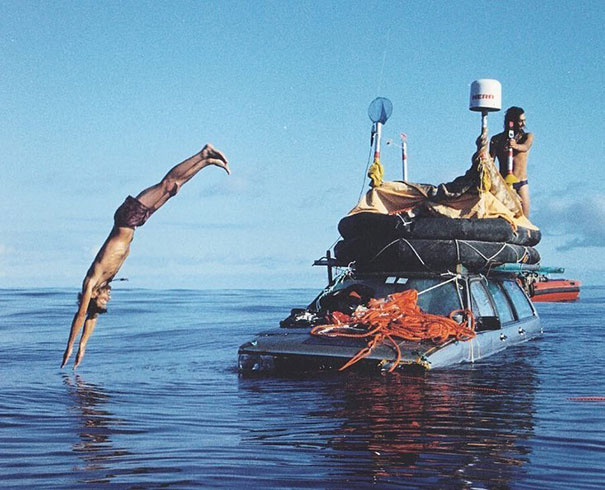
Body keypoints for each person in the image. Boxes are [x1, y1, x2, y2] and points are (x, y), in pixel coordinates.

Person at [61, 144, 230, 369]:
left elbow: (82, 315)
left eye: (103, 301)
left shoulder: (91, 281)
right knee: (173, 189)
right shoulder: (103, 283)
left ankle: (203, 153)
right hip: (136, 223)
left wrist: (71, 346)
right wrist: (85, 345)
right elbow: (92, 317)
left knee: (167, 183)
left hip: (127, 217)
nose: (109, 299)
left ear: (92, 296)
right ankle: (206, 162)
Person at [489, 107, 534, 216]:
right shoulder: (496, 139)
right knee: (503, 215)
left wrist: (515, 146)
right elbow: (491, 161)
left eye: (524, 120)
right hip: (504, 183)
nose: (523, 124)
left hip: (521, 183)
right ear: (512, 122)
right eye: (520, 121)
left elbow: (525, 147)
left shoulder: (527, 136)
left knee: (524, 217)